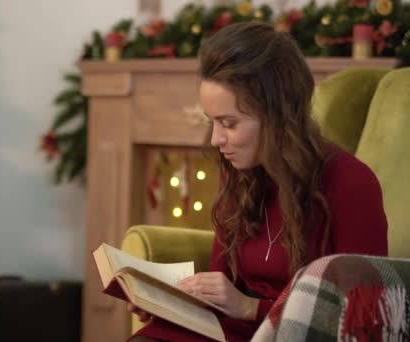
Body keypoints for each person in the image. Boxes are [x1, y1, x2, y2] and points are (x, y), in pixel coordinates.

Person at [127, 21, 388, 342]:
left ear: (278, 116)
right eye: (212, 122)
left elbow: (364, 316)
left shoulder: (351, 183)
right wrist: (169, 303)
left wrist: (251, 307)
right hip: (236, 330)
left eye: (229, 123)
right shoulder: (241, 174)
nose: (216, 139)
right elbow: (220, 284)